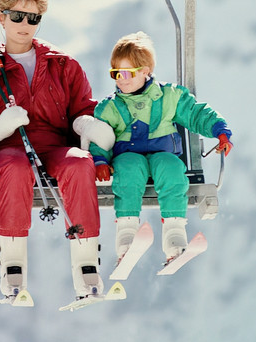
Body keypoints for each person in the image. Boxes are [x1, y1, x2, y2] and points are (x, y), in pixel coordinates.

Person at [0, 0, 115, 304]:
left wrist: (87, 124)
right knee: (15, 167)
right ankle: (13, 264)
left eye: (33, 18)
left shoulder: (62, 64)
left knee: (80, 164)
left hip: (53, 144)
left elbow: (82, 107)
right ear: (1, 16)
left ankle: (87, 264)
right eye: (17, 16)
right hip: (8, 146)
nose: (25, 24)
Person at [89, 31, 233, 267]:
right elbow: (99, 137)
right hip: (128, 157)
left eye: (127, 73)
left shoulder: (169, 97)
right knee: (128, 171)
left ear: (145, 71)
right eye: (115, 73)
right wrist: (100, 161)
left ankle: (174, 234)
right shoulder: (111, 107)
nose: (120, 80)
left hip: (163, 154)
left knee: (172, 169)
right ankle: (127, 235)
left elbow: (195, 113)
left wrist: (219, 130)